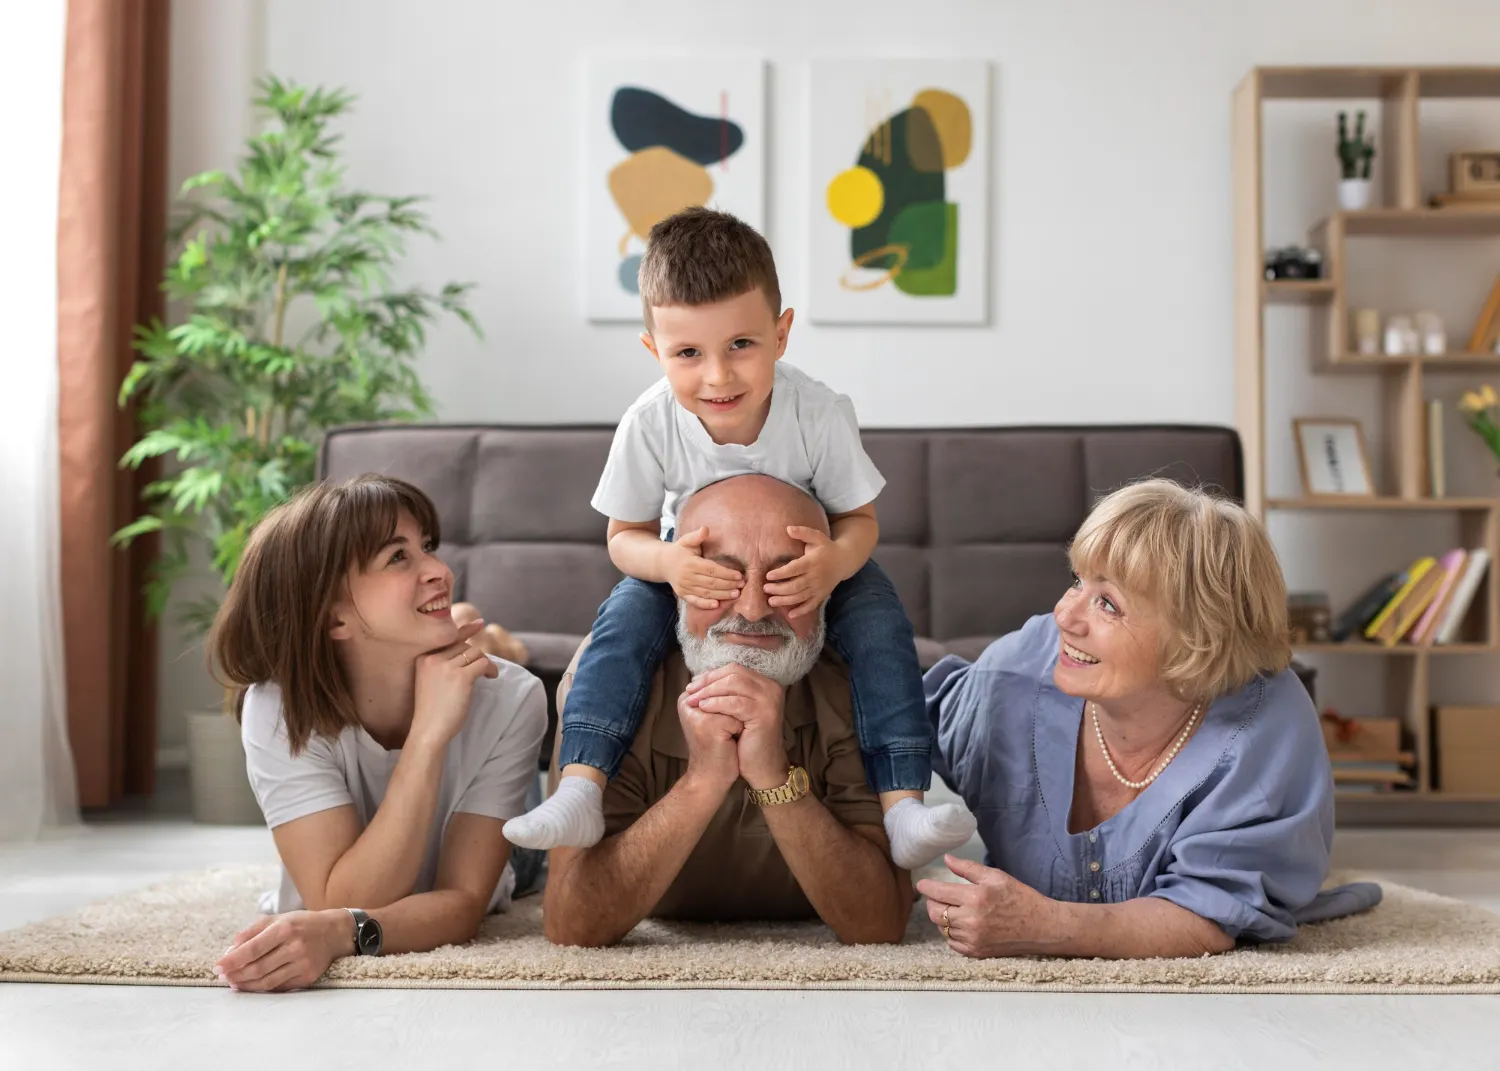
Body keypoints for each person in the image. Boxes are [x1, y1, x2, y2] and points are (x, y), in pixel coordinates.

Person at [504, 207, 973, 869]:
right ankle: (581, 783)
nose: (719, 376)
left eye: (741, 346)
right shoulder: (650, 422)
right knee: (622, 620)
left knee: (880, 622)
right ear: (653, 351)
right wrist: (666, 562)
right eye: (688, 354)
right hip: (692, 562)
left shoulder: (817, 411)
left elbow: (860, 521)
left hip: (810, 562)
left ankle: (902, 804)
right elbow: (624, 536)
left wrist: (835, 562)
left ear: (781, 335)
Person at [918, 479, 1383, 960]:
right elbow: (898, 734)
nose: (1064, 614)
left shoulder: (1265, 727)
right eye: (1078, 581)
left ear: (1198, 636)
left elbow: (1207, 916)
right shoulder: (1012, 675)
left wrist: (1044, 924)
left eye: (1107, 603)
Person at [208, 474, 546, 992]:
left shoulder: (511, 697)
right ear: (333, 619)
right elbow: (335, 897)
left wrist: (434, 731)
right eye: (398, 558)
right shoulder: (278, 707)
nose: (439, 569)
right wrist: (428, 737)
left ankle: (495, 639)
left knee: (527, 852)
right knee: (469, 632)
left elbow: (462, 904)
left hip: (510, 857)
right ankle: (481, 629)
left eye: (427, 547)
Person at [542, 475, 912, 947]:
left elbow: (880, 924)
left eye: (789, 579)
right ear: (673, 586)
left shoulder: (863, 683)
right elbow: (571, 924)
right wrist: (703, 780)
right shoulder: (608, 685)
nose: (754, 610)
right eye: (719, 578)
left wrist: (774, 775)